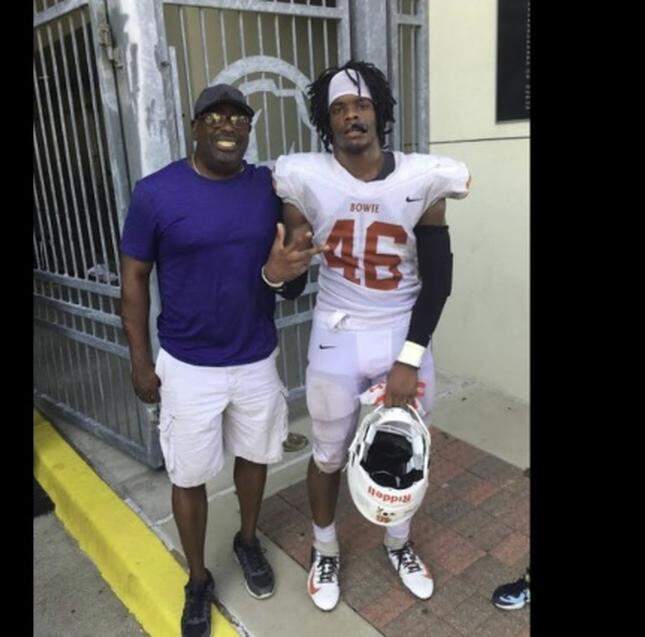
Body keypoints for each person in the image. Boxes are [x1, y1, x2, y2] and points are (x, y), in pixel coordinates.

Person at [120, 84, 326, 637]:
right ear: (195, 127)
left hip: (255, 357)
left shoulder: (266, 187)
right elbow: (134, 279)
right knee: (188, 476)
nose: (227, 124)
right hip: (187, 365)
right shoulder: (156, 193)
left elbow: (292, 269)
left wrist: (290, 268)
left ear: (248, 129)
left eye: (238, 116)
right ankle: (197, 578)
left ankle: (247, 540)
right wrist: (141, 360)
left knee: (255, 456)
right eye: (215, 116)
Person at [272, 60, 471, 611]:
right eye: (338, 108)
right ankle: (326, 547)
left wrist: (409, 358)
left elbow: (439, 281)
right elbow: (290, 283)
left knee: (407, 450)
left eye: (360, 105)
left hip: (402, 331)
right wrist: (277, 276)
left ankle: (398, 542)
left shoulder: (422, 177)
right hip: (337, 333)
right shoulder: (304, 178)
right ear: (326, 121)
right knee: (329, 452)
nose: (351, 115)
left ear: (378, 110)